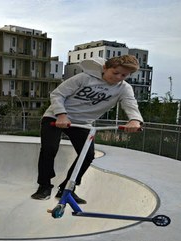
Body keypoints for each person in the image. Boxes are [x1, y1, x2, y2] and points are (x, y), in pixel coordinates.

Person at [31, 55, 143, 203]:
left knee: (87, 156)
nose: (118, 77)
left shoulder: (124, 88)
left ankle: (67, 188)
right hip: (56, 117)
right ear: (105, 68)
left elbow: (130, 104)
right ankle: (44, 186)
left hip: (83, 123)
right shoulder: (84, 78)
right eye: (115, 73)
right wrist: (62, 115)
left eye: (124, 75)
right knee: (49, 149)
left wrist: (135, 120)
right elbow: (58, 94)